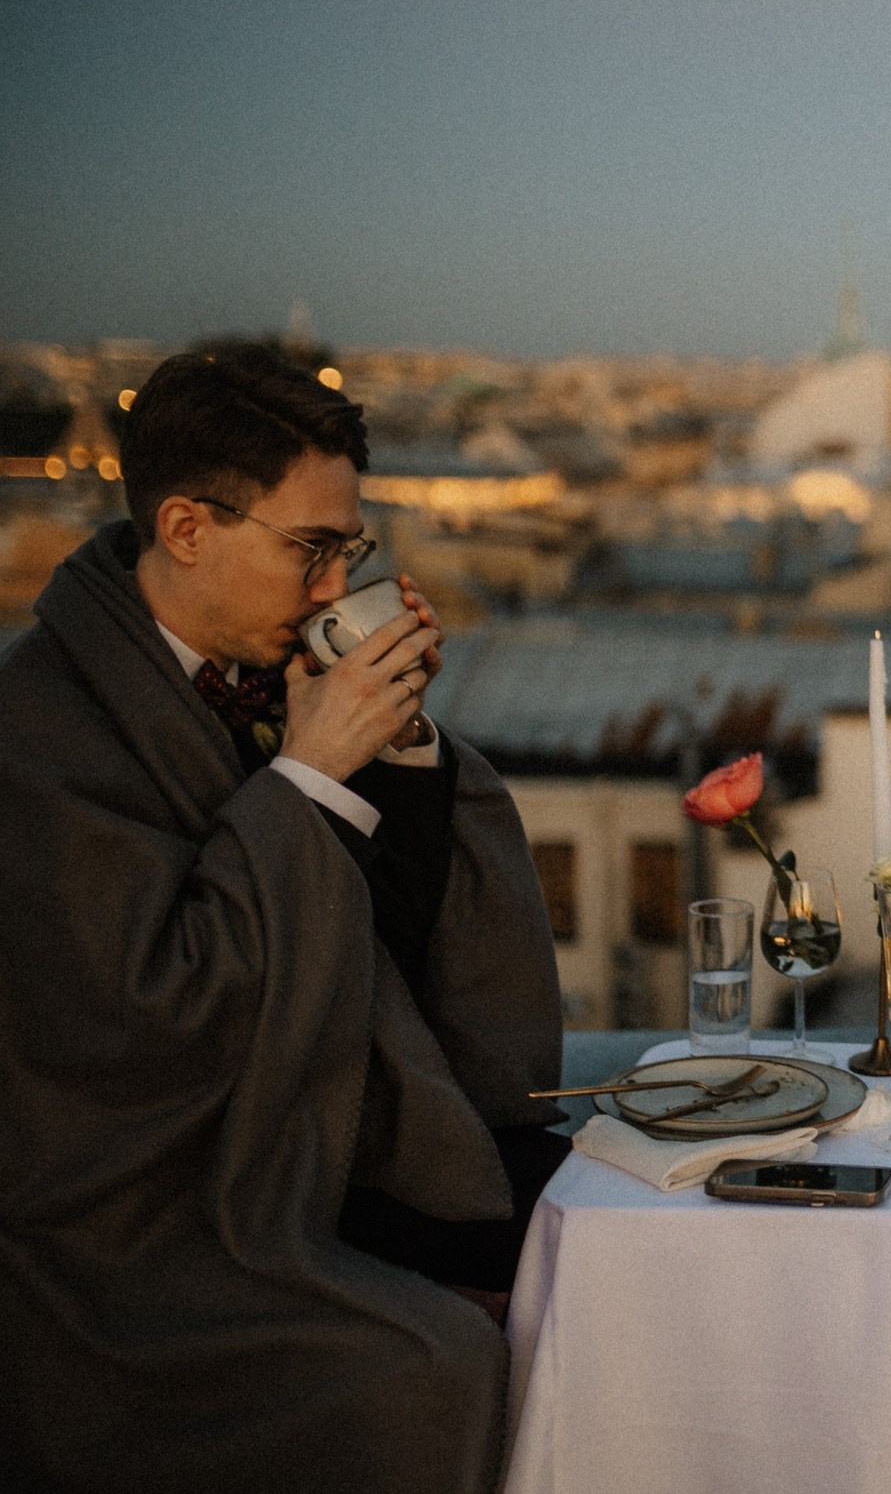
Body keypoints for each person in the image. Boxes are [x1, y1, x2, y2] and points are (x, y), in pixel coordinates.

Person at [0, 342, 568, 1494]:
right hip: (141, 1215)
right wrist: (304, 780)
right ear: (186, 528)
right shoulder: (37, 731)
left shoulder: (260, 672)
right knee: (433, 1365)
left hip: (323, 1131)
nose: (329, 590)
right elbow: (147, 1019)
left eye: (349, 550)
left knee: (600, 1242)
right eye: (310, 549)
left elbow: (384, 941)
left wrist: (400, 749)